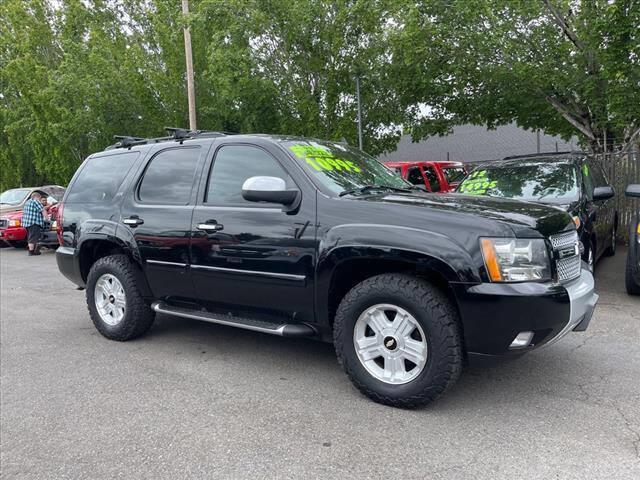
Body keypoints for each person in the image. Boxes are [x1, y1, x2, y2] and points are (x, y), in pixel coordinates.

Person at [22, 192, 49, 256]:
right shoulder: (36, 201)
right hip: (34, 222)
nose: (40, 200)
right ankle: (31, 252)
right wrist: (47, 219)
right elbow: (43, 210)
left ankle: (33, 251)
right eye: (40, 198)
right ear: (38, 197)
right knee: (32, 237)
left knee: (30, 236)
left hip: (26, 222)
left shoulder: (27, 202)